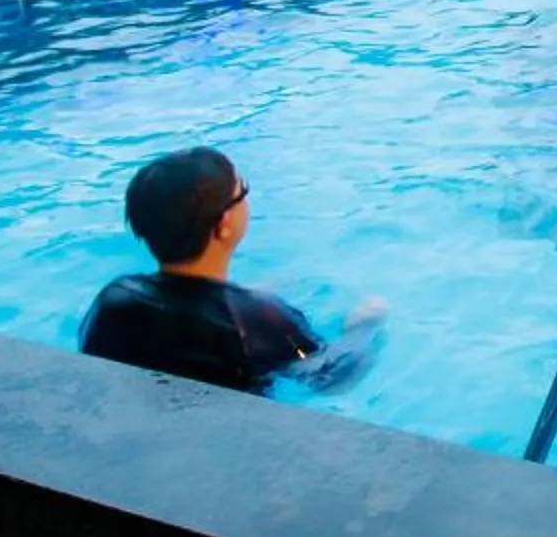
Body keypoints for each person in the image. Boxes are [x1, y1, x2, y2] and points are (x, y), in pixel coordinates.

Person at [79, 148, 378, 393]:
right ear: (224, 225)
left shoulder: (115, 301)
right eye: (241, 193)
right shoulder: (261, 321)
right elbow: (330, 379)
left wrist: (245, 298)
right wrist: (361, 329)